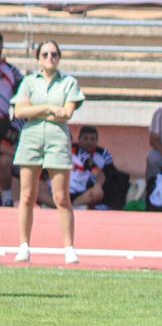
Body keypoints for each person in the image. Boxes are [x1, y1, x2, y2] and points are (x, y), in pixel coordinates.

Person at [11, 41, 84, 266]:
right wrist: (49, 108)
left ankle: (69, 247)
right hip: (31, 140)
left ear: (59, 57)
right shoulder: (29, 82)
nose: (49, 57)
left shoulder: (69, 83)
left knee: (61, 197)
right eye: (45, 54)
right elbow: (19, 111)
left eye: (54, 54)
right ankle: (24, 245)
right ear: (38, 58)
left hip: (57, 141)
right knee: (26, 196)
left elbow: (67, 113)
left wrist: (37, 110)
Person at [0, 32, 24, 207]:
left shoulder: (12, 72)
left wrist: (15, 128)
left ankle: (7, 198)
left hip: (4, 124)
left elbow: (26, 102)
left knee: (5, 161)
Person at [66, 125, 113, 209]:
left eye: (92, 139)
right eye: (85, 138)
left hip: (79, 194)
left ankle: (69, 205)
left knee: (98, 193)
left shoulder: (82, 154)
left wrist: (97, 186)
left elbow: (100, 174)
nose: (89, 142)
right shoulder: (49, 155)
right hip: (56, 192)